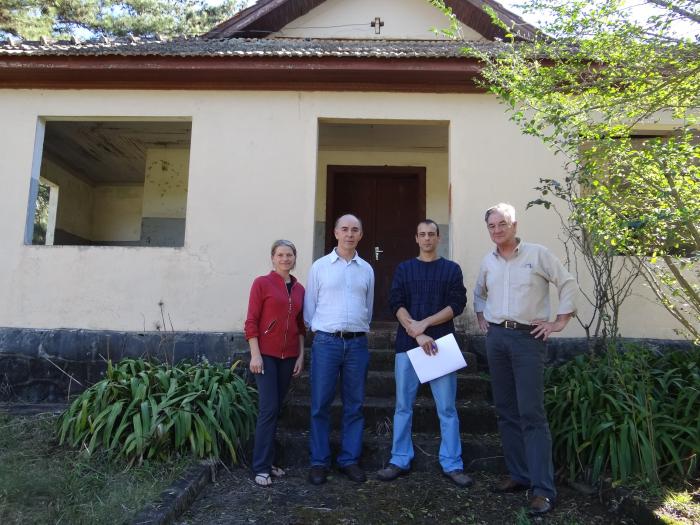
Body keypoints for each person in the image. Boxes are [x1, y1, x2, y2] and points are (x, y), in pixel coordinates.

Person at [474, 203, 578, 515]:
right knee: (506, 411)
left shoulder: (537, 254)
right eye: (492, 226)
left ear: (515, 225)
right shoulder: (488, 261)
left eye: (502, 224)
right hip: (497, 340)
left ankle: (543, 489)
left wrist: (559, 321)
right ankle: (519, 475)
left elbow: (568, 283)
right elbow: (479, 293)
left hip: (528, 339)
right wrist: (482, 318)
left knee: (532, 414)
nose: (497, 230)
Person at [376, 219, 472, 487]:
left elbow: (458, 303)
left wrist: (426, 324)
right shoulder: (404, 269)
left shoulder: (451, 269)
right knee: (403, 407)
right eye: (422, 234)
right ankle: (399, 459)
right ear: (416, 238)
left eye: (431, 234)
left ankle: (452, 464)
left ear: (438, 238)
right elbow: (396, 302)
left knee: (447, 409)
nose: (427, 238)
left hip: (441, 345)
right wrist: (417, 333)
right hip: (408, 347)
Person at [303, 214, 375, 485]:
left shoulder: (367, 269)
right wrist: (322, 331)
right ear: (335, 233)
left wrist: (356, 329)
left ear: (360, 235)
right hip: (326, 343)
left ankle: (349, 460)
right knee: (320, 404)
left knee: (354, 405)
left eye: (354, 230)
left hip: (357, 344)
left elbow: (367, 305)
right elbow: (310, 307)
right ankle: (319, 462)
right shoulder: (320, 267)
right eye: (344, 229)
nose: (349, 234)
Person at [244, 239, 306, 487]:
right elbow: (251, 322)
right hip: (266, 357)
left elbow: (301, 326)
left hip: (289, 356)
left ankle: (268, 462)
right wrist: (255, 354)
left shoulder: (300, 289)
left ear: (294, 258)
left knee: (276, 409)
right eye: (280, 254)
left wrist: (301, 355)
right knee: (268, 409)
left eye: (289, 255)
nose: (285, 259)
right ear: (272, 258)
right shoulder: (262, 283)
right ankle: (260, 467)